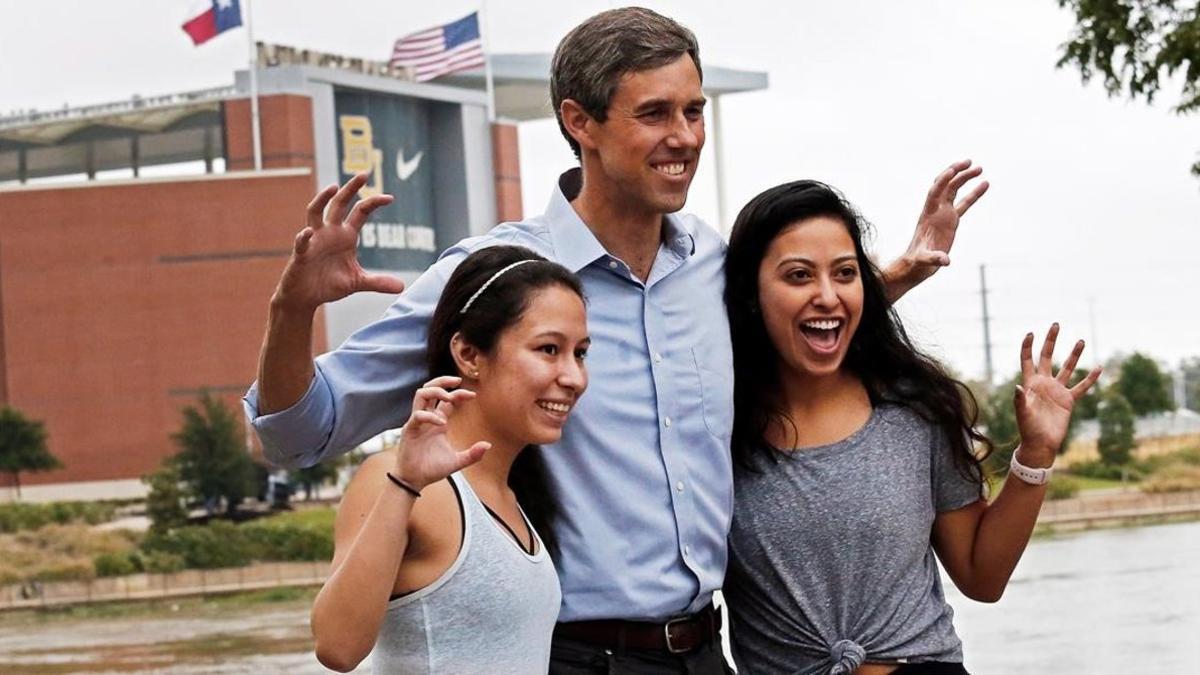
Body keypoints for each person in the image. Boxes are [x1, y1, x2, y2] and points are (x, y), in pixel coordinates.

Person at [245, 7, 986, 672]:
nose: (686, 137)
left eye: (695, 111)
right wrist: (291, 312)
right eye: (656, 114)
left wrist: (891, 278)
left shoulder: (715, 269)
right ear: (580, 122)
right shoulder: (502, 280)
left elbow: (797, 328)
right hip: (580, 654)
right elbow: (291, 434)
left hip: (712, 649)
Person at [720, 180, 1101, 675]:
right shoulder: (713, 425)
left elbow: (982, 577)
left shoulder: (916, 410)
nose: (827, 296)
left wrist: (1036, 452)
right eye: (798, 276)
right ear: (751, 293)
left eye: (845, 273)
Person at [310, 246, 590, 673]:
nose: (573, 377)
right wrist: (404, 484)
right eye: (549, 350)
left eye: (580, 353)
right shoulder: (397, 478)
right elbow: (337, 646)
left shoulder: (511, 495)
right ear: (470, 355)